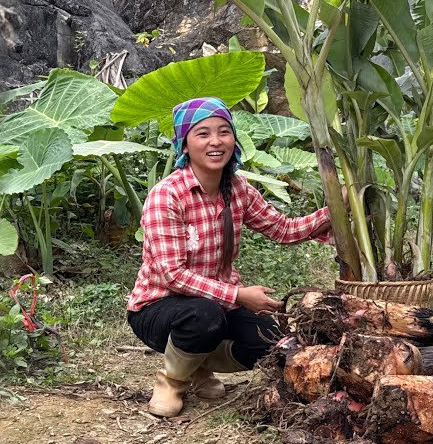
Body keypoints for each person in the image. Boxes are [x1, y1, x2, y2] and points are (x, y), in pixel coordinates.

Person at [127, 97, 330, 417]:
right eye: (203, 134)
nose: (216, 141)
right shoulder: (167, 195)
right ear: (184, 144)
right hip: (158, 307)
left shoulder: (237, 188)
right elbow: (171, 274)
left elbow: (284, 229)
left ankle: (198, 367)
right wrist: (238, 294)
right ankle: (171, 381)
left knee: (270, 340)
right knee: (204, 316)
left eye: (224, 131)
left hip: (216, 304)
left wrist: (335, 212)